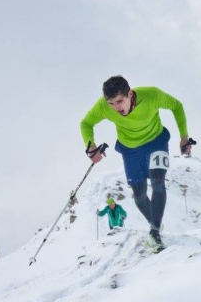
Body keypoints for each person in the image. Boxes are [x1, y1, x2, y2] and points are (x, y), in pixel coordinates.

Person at [81, 75, 193, 249]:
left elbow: (177, 106)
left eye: (119, 101)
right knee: (139, 194)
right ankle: (154, 222)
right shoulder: (104, 106)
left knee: (157, 182)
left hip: (156, 141)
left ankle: (154, 233)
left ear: (130, 94)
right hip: (130, 150)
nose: (116, 108)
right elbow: (86, 123)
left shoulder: (152, 96)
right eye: (111, 103)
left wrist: (184, 137)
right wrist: (91, 146)